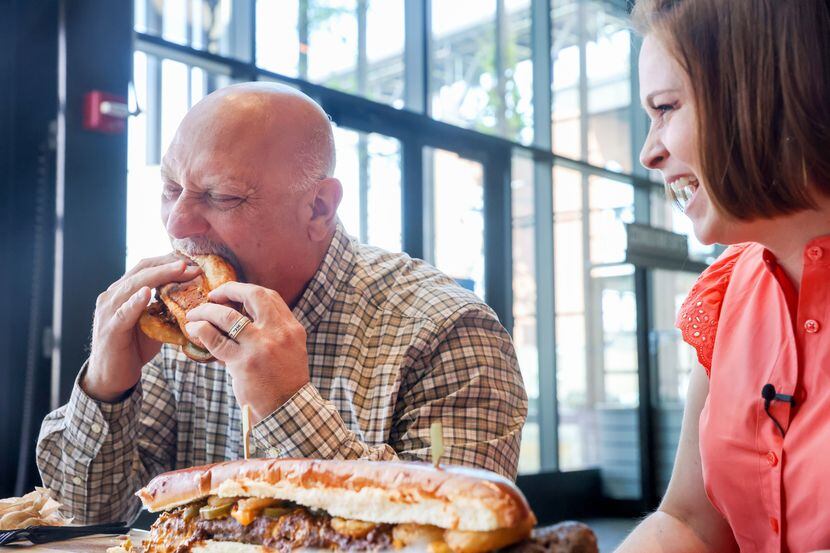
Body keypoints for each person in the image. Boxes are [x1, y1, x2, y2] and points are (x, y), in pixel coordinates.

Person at [36, 82, 528, 524]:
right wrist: (107, 389)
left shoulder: (450, 329)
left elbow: (459, 526)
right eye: (171, 190)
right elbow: (87, 513)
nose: (178, 224)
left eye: (222, 196)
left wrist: (286, 405)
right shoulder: (178, 326)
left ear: (318, 208)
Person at [617, 0, 830, 551]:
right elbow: (689, 521)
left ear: (761, 94)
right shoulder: (726, 292)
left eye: (665, 108)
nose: (648, 152)